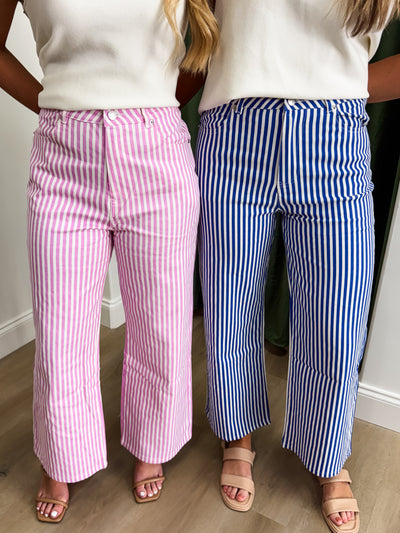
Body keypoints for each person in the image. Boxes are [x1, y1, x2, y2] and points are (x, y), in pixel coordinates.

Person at [177, 1, 398, 532]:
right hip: (234, 131)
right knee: (230, 302)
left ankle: (328, 452)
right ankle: (237, 433)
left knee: (337, 317)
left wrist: (340, 86)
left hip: (334, 134)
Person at [0, 0, 218, 523]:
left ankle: (151, 442)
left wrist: (154, 103)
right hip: (63, 159)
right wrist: (51, 103)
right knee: (61, 328)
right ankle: (61, 456)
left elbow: (212, 46)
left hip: (157, 154)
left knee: (161, 322)